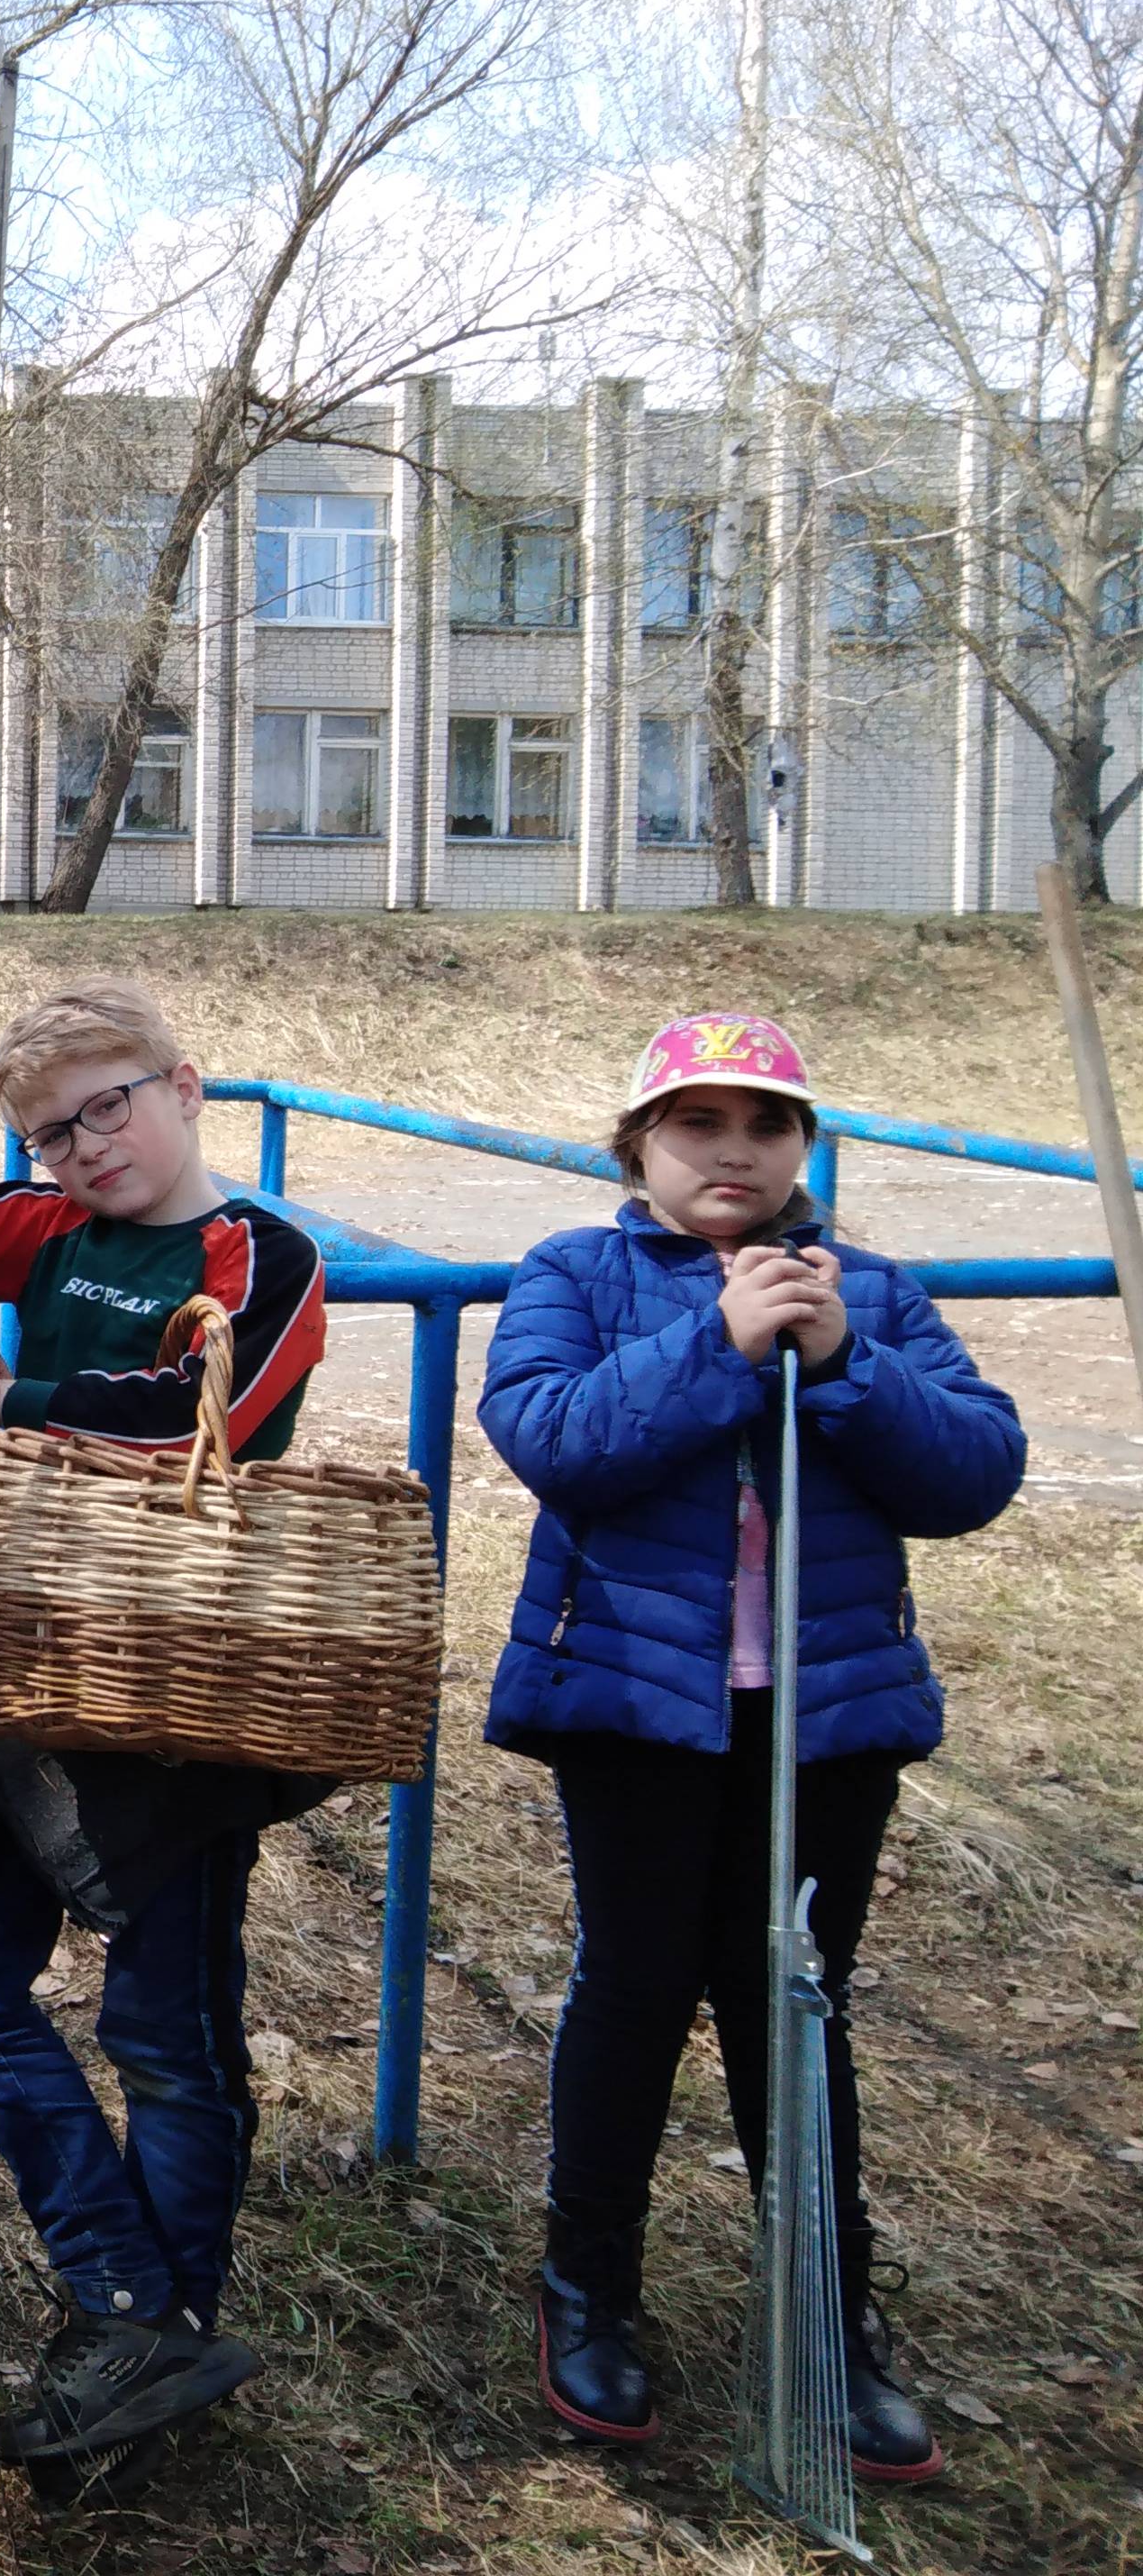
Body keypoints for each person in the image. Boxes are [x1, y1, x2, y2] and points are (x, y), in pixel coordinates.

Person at [480, 1014, 1020, 2484]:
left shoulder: (875, 1294)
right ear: (636, 1145)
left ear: (805, 1149)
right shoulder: (577, 1277)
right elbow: (553, 1434)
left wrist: (843, 1362)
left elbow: (976, 1469)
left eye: (767, 1125)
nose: (734, 1150)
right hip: (642, 1709)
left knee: (797, 2001)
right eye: (696, 1122)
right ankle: (588, 2290)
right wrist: (714, 1346)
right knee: (637, 1987)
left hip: (826, 1714)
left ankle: (831, 2321)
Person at [0, 978, 331, 2477]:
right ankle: (133, 2304)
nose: (88, 1148)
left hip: (178, 1688)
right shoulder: (55, 1226)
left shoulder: (258, 1254)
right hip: (25, 1656)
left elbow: (191, 1414)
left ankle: (162, 2332)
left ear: (184, 1082)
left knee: (165, 2033)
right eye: (50, 1133)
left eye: (111, 1105)